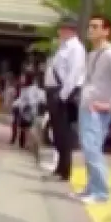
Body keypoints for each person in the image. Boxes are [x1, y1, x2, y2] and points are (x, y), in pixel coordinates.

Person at [76, 15, 111, 203]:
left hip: (97, 109)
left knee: (92, 148)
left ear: (106, 31)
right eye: (90, 26)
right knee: (89, 148)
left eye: (96, 27)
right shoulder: (94, 53)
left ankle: (100, 192)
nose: (91, 30)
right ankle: (91, 188)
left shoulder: (110, 53)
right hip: (88, 106)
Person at [43, 17, 86, 182]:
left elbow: (74, 74)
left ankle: (65, 170)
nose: (60, 32)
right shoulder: (63, 47)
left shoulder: (76, 48)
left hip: (63, 93)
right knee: (57, 132)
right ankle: (59, 168)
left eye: (63, 29)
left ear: (71, 30)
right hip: (55, 91)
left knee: (64, 132)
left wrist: (62, 95)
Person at [13, 76, 46, 149]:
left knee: (29, 128)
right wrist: (17, 105)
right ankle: (27, 144)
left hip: (32, 111)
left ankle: (32, 144)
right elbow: (21, 99)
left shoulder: (33, 90)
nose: (23, 80)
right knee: (26, 128)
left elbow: (36, 100)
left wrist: (25, 105)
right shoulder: (26, 89)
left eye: (25, 79)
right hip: (27, 110)